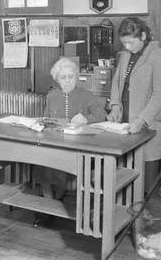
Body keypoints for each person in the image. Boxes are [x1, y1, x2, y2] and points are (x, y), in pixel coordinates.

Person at [32, 57, 107, 227]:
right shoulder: (51, 96)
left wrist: (86, 119)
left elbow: (102, 115)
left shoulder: (85, 95)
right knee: (40, 162)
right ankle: (48, 206)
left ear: (76, 76)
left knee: (64, 167)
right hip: (54, 143)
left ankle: (56, 201)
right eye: (63, 77)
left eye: (70, 77)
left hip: (77, 146)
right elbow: (45, 120)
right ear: (57, 79)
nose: (67, 81)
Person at [107, 17, 161, 192]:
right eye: (124, 43)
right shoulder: (126, 54)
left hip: (146, 124)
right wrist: (115, 106)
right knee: (124, 175)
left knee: (145, 180)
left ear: (143, 36)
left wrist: (140, 121)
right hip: (125, 121)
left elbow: (158, 96)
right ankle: (126, 213)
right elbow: (117, 81)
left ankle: (142, 215)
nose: (127, 47)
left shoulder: (158, 57)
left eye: (131, 43)